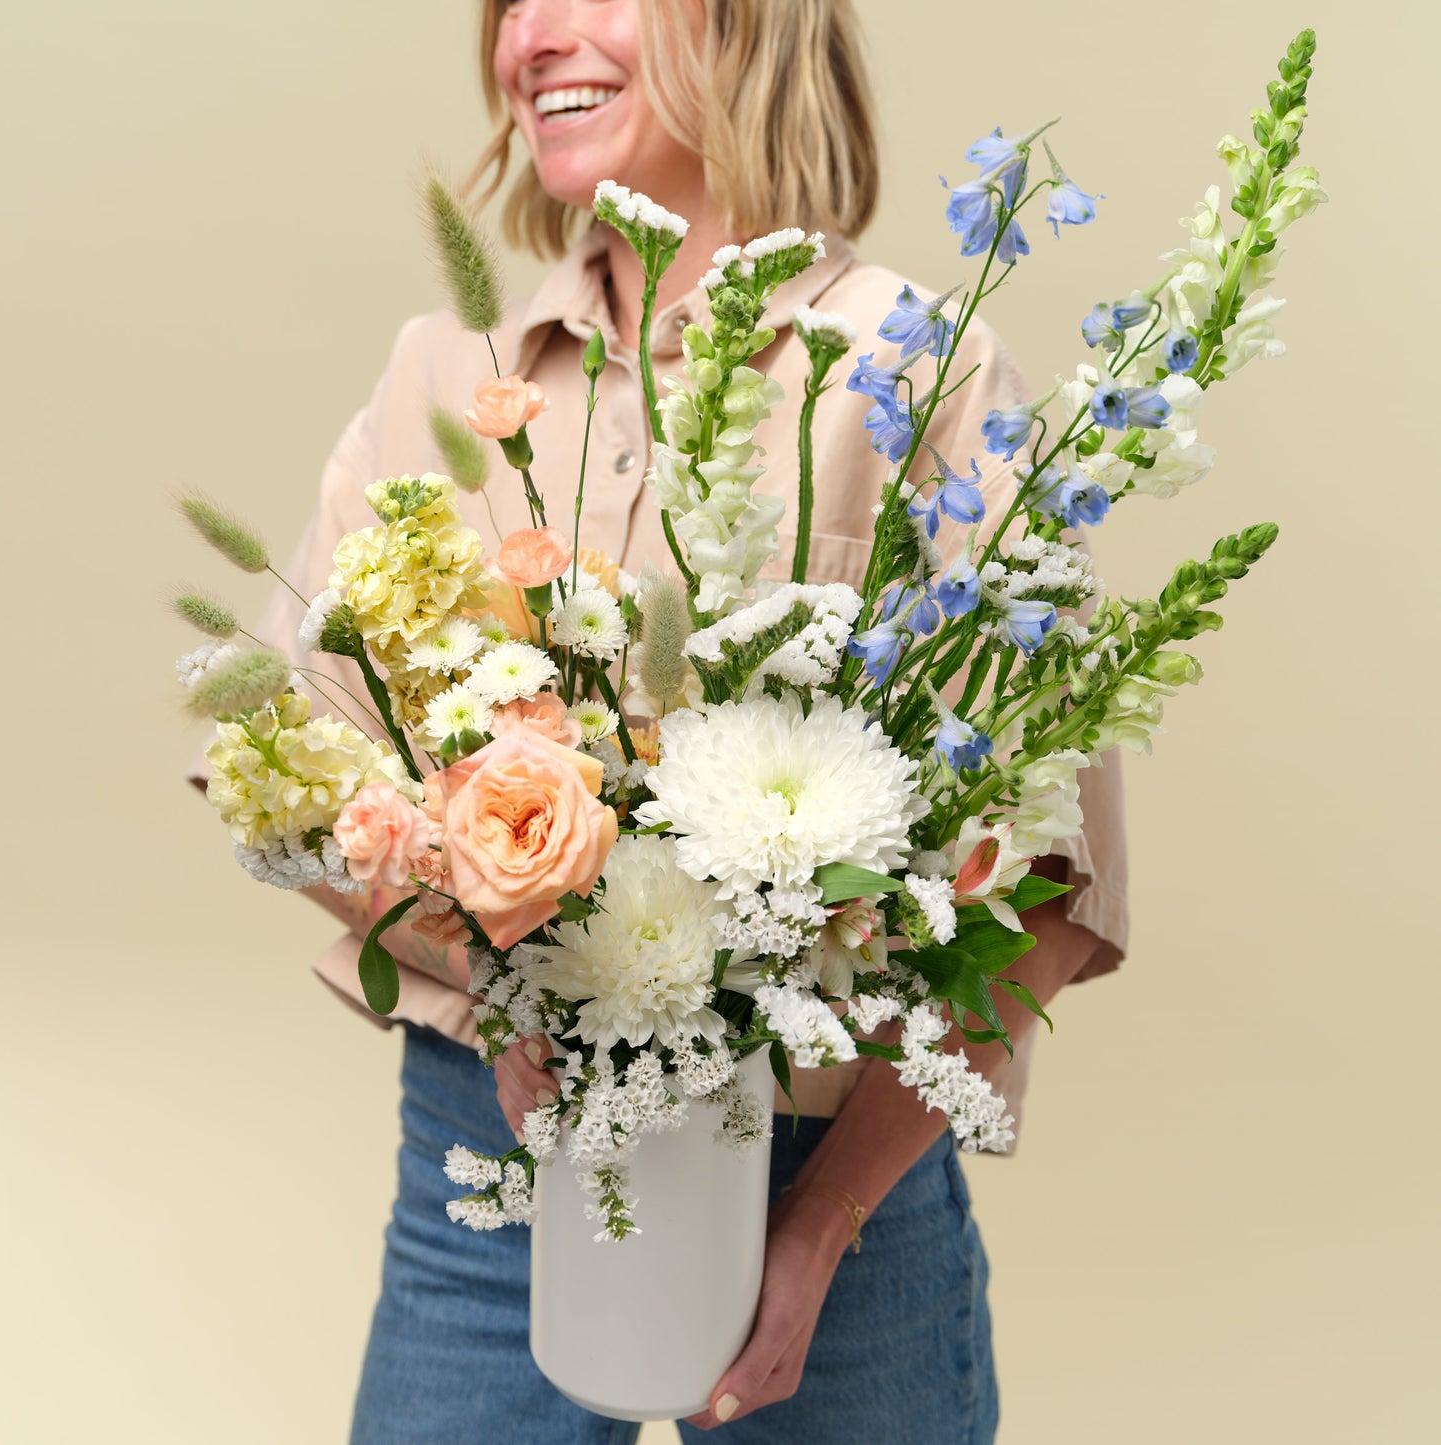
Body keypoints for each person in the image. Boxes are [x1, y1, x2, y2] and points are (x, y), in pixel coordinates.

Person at [230, 1, 1129, 1439]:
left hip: (837, 1178)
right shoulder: (443, 377)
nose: (531, 34)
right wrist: (495, 971)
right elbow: (288, 777)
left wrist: (821, 1221)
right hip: (489, 1158)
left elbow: (1043, 873)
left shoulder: (920, 375)